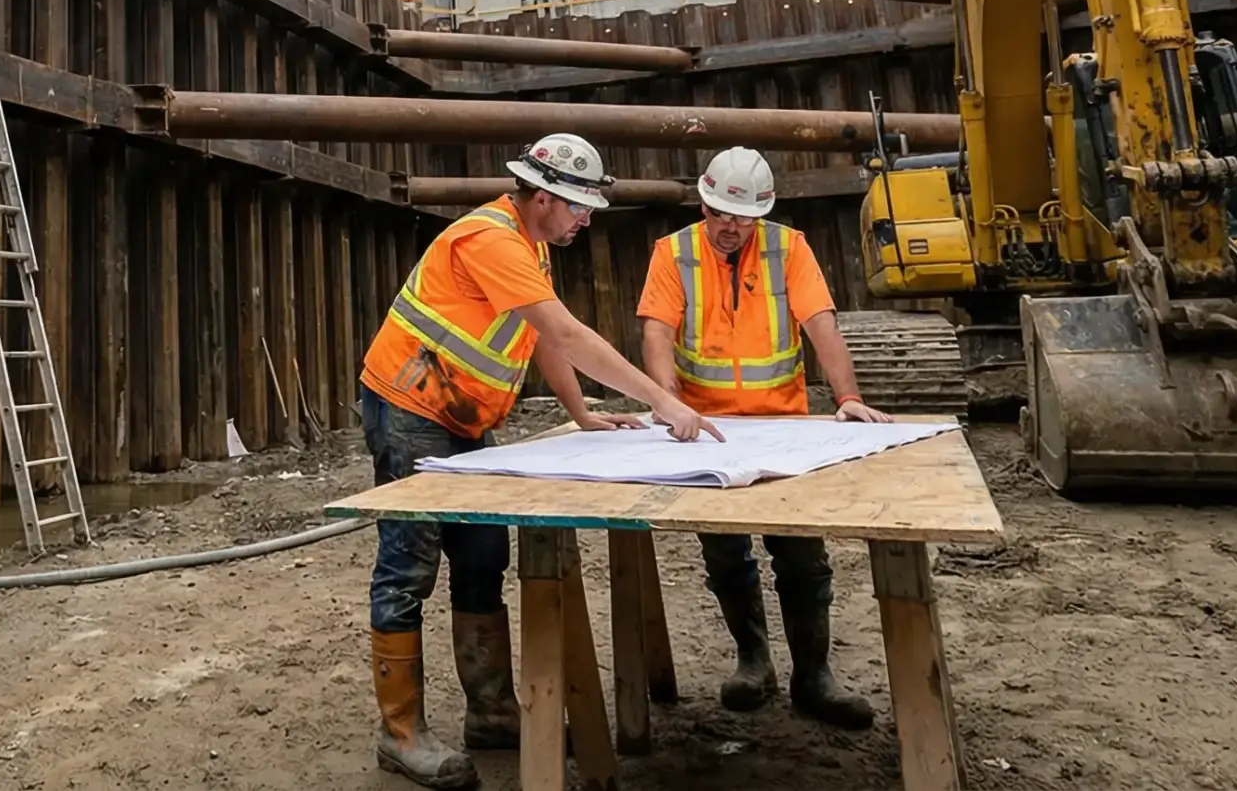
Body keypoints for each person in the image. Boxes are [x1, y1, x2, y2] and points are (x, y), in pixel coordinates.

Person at [358, 133, 719, 790]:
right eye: (578, 205)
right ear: (544, 196)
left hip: (458, 417)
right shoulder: (491, 238)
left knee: (482, 556)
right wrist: (663, 400)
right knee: (407, 568)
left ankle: (492, 711)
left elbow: (538, 336)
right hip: (410, 408)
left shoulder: (530, 247)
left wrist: (582, 413)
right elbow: (565, 332)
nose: (585, 218)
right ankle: (400, 732)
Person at [634, 145, 886, 731]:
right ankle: (754, 663)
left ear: (762, 212)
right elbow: (657, 334)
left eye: (743, 217)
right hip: (710, 431)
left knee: (802, 554)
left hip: (784, 425)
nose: (730, 227)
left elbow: (821, 324)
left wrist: (847, 397)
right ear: (704, 201)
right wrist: (668, 405)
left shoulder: (788, 248)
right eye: (720, 213)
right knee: (725, 554)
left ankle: (813, 677)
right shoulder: (672, 253)